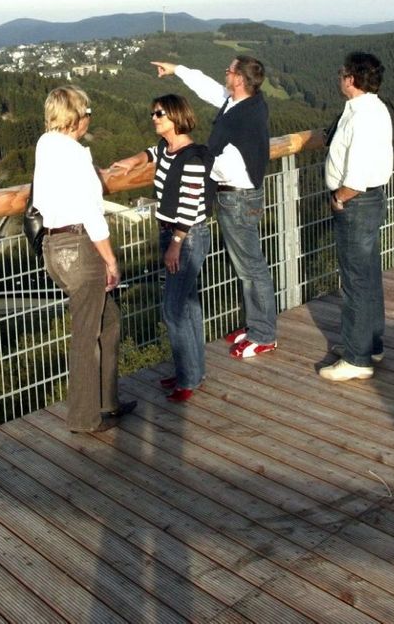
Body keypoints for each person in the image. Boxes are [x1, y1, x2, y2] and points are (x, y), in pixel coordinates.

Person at [152, 56, 278, 359]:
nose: (225, 72)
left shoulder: (243, 115)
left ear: (239, 79)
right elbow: (208, 89)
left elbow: (220, 160)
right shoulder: (244, 102)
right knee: (247, 267)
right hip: (236, 196)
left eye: (230, 70)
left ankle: (264, 334)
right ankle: (256, 326)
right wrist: (178, 69)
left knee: (251, 268)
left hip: (238, 197)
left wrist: (187, 159)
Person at [31, 86, 135, 432]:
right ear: (78, 117)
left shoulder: (46, 144)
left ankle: (108, 402)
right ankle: (84, 418)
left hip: (53, 248)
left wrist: (93, 175)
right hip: (80, 247)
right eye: (88, 111)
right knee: (86, 334)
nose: (91, 118)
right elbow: (93, 215)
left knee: (108, 321)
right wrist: (111, 261)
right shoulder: (75, 155)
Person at [110, 94, 213, 403]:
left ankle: (188, 378)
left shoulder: (193, 156)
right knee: (188, 305)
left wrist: (176, 244)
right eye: (153, 112)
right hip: (173, 234)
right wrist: (132, 161)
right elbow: (150, 153)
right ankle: (193, 371)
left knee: (172, 310)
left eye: (160, 114)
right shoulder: (168, 149)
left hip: (186, 235)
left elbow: (190, 202)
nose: (153, 118)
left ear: (177, 117)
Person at [320, 52, 394, 382]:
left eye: (341, 72)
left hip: (357, 203)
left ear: (351, 79)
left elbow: (357, 174)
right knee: (368, 277)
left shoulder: (362, 116)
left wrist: (339, 197)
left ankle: (357, 358)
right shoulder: (373, 109)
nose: (339, 78)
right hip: (370, 201)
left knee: (355, 283)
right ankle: (369, 343)